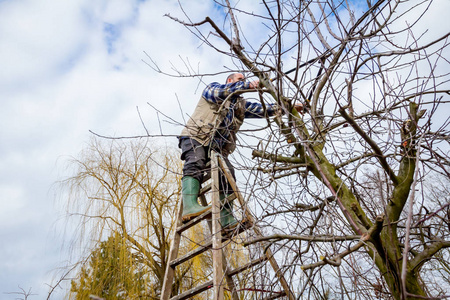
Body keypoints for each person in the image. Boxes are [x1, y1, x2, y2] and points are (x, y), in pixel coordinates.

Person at [178, 73, 281, 228]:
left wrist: (286, 107)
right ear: (230, 81)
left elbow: (263, 110)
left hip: (216, 148)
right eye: (240, 80)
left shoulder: (240, 105)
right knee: (195, 162)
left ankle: (226, 221)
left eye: (244, 81)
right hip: (196, 137)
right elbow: (225, 91)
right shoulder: (213, 89)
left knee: (228, 174)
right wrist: (250, 85)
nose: (243, 82)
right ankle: (189, 206)